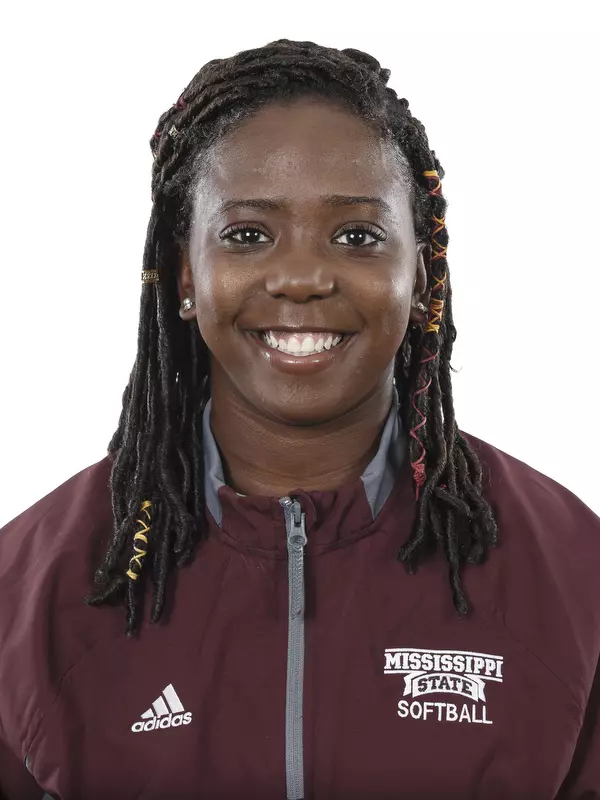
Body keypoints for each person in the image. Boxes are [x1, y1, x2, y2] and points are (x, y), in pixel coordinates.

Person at [0, 38, 598, 800]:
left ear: (420, 273)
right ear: (187, 272)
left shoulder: (575, 573)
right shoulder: (25, 593)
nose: (304, 278)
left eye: (357, 236)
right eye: (248, 234)